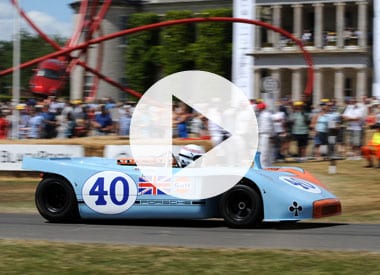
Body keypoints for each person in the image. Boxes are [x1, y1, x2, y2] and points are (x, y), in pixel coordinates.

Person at [257, 102, 274, 167]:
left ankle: (263, 166)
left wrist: (271, 135)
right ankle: (267, 166)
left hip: (265, 135)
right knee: (266, 152)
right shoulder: (264, 115)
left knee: (264, 152)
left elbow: (269, 126)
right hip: (264, 135)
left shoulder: (265, 115)